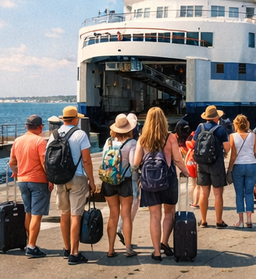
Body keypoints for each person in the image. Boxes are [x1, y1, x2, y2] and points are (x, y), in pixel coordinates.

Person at [132, 108, 187, 262]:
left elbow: (136, 162)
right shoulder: (170, 138)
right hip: (168, 178)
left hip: (149, 180)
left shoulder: (142, 139)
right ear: (163, 120)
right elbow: (177, 160)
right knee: (169, 213)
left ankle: (156, 252)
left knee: (154, 215)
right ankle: (164, 242)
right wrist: (186, 172)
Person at [49, 106, 96, 265]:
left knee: (64, 214)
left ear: (63, 119)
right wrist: (92, 180)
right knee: (76, 215)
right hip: (77, 177)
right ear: (75, 119)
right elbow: (87, 160)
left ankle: (67, 248)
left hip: (59, 178)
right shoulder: (80, 134)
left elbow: (49, 159)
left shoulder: (53, 134)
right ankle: (75, 254)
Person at [7, 114, 50, 258]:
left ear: (26, 126)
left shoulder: (17, 141)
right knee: (37, 215)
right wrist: (50, 179)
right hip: (38, 180)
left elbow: (12, 163)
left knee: (28, 212)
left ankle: (29, 242)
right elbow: (44, 162)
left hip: (22, 180)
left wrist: (16, 173)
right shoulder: (40, 141)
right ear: (40, 127)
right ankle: (31, 246)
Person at [100, 114, 138, 258]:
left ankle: (110, 249)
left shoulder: (108, 142)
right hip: (124, 181)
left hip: (108, 181)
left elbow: (104, 159)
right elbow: (134, 164)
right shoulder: (131, 143)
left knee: (113, 215)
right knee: (126, 215)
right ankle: (128, 248)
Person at [193, 105, 230, 228]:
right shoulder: (220, 129)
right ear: (216, 118)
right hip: (216, 163)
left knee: (204, 193)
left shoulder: (200, 127)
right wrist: (224, 153)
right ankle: (219, 221)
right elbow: (227, 147)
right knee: (218, 194)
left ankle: (203, 220)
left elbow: (194, 143)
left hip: (202, 163)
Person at [228, 114, 256, 228]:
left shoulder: (232, 136)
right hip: (251, 165)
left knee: (239, 194)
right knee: (249, 193)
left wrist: (230, 168)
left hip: (238, 166)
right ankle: (249, 219)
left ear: (235, 124)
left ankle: (240, 221)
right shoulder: (253, 136)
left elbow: (233, 155)